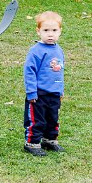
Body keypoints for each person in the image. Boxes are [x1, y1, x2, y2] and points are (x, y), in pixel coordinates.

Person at [23, 11, 67, 156]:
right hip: (39, 93)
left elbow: (59, 72)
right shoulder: (36, 51)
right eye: (46, 30)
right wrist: (31, 92)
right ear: (38, 31)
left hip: (54, 93)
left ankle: (49, 140)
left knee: (52, 118)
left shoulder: (58, 50)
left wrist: (60, 90)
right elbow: (29, 72)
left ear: (60, 31)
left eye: (54, 30)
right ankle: (32, 143)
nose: (50, 34)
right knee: (37, 120)